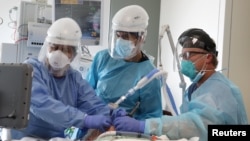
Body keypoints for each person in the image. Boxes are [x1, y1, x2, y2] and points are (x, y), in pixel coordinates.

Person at [112, 28, 248, 140]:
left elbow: (194, 125)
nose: (184, 61)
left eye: (188, 55)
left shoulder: (220, 89)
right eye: (182, 56)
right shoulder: (195, 88)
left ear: (208, 57)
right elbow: (188, 129)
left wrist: (144, 126)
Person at [11, 17, 112, 140]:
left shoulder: (74, 79)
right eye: (54, 47)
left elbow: (93, 105)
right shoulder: (32, 69)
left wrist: (111, 114)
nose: (58, 54)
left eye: (65, 49)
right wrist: (84, 120)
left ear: (73, 55)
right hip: (23, 136)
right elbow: (42, 105)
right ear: (47, 47)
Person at [85, 5, 162, 120]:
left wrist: (129, 125)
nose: (120, 40)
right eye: (118, 35)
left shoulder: (150, 75)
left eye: (125, 36)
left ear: (140, 38)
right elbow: (86, 94)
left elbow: (151, 116)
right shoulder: (102, 58)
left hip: (122, 130)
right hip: (93, 120)